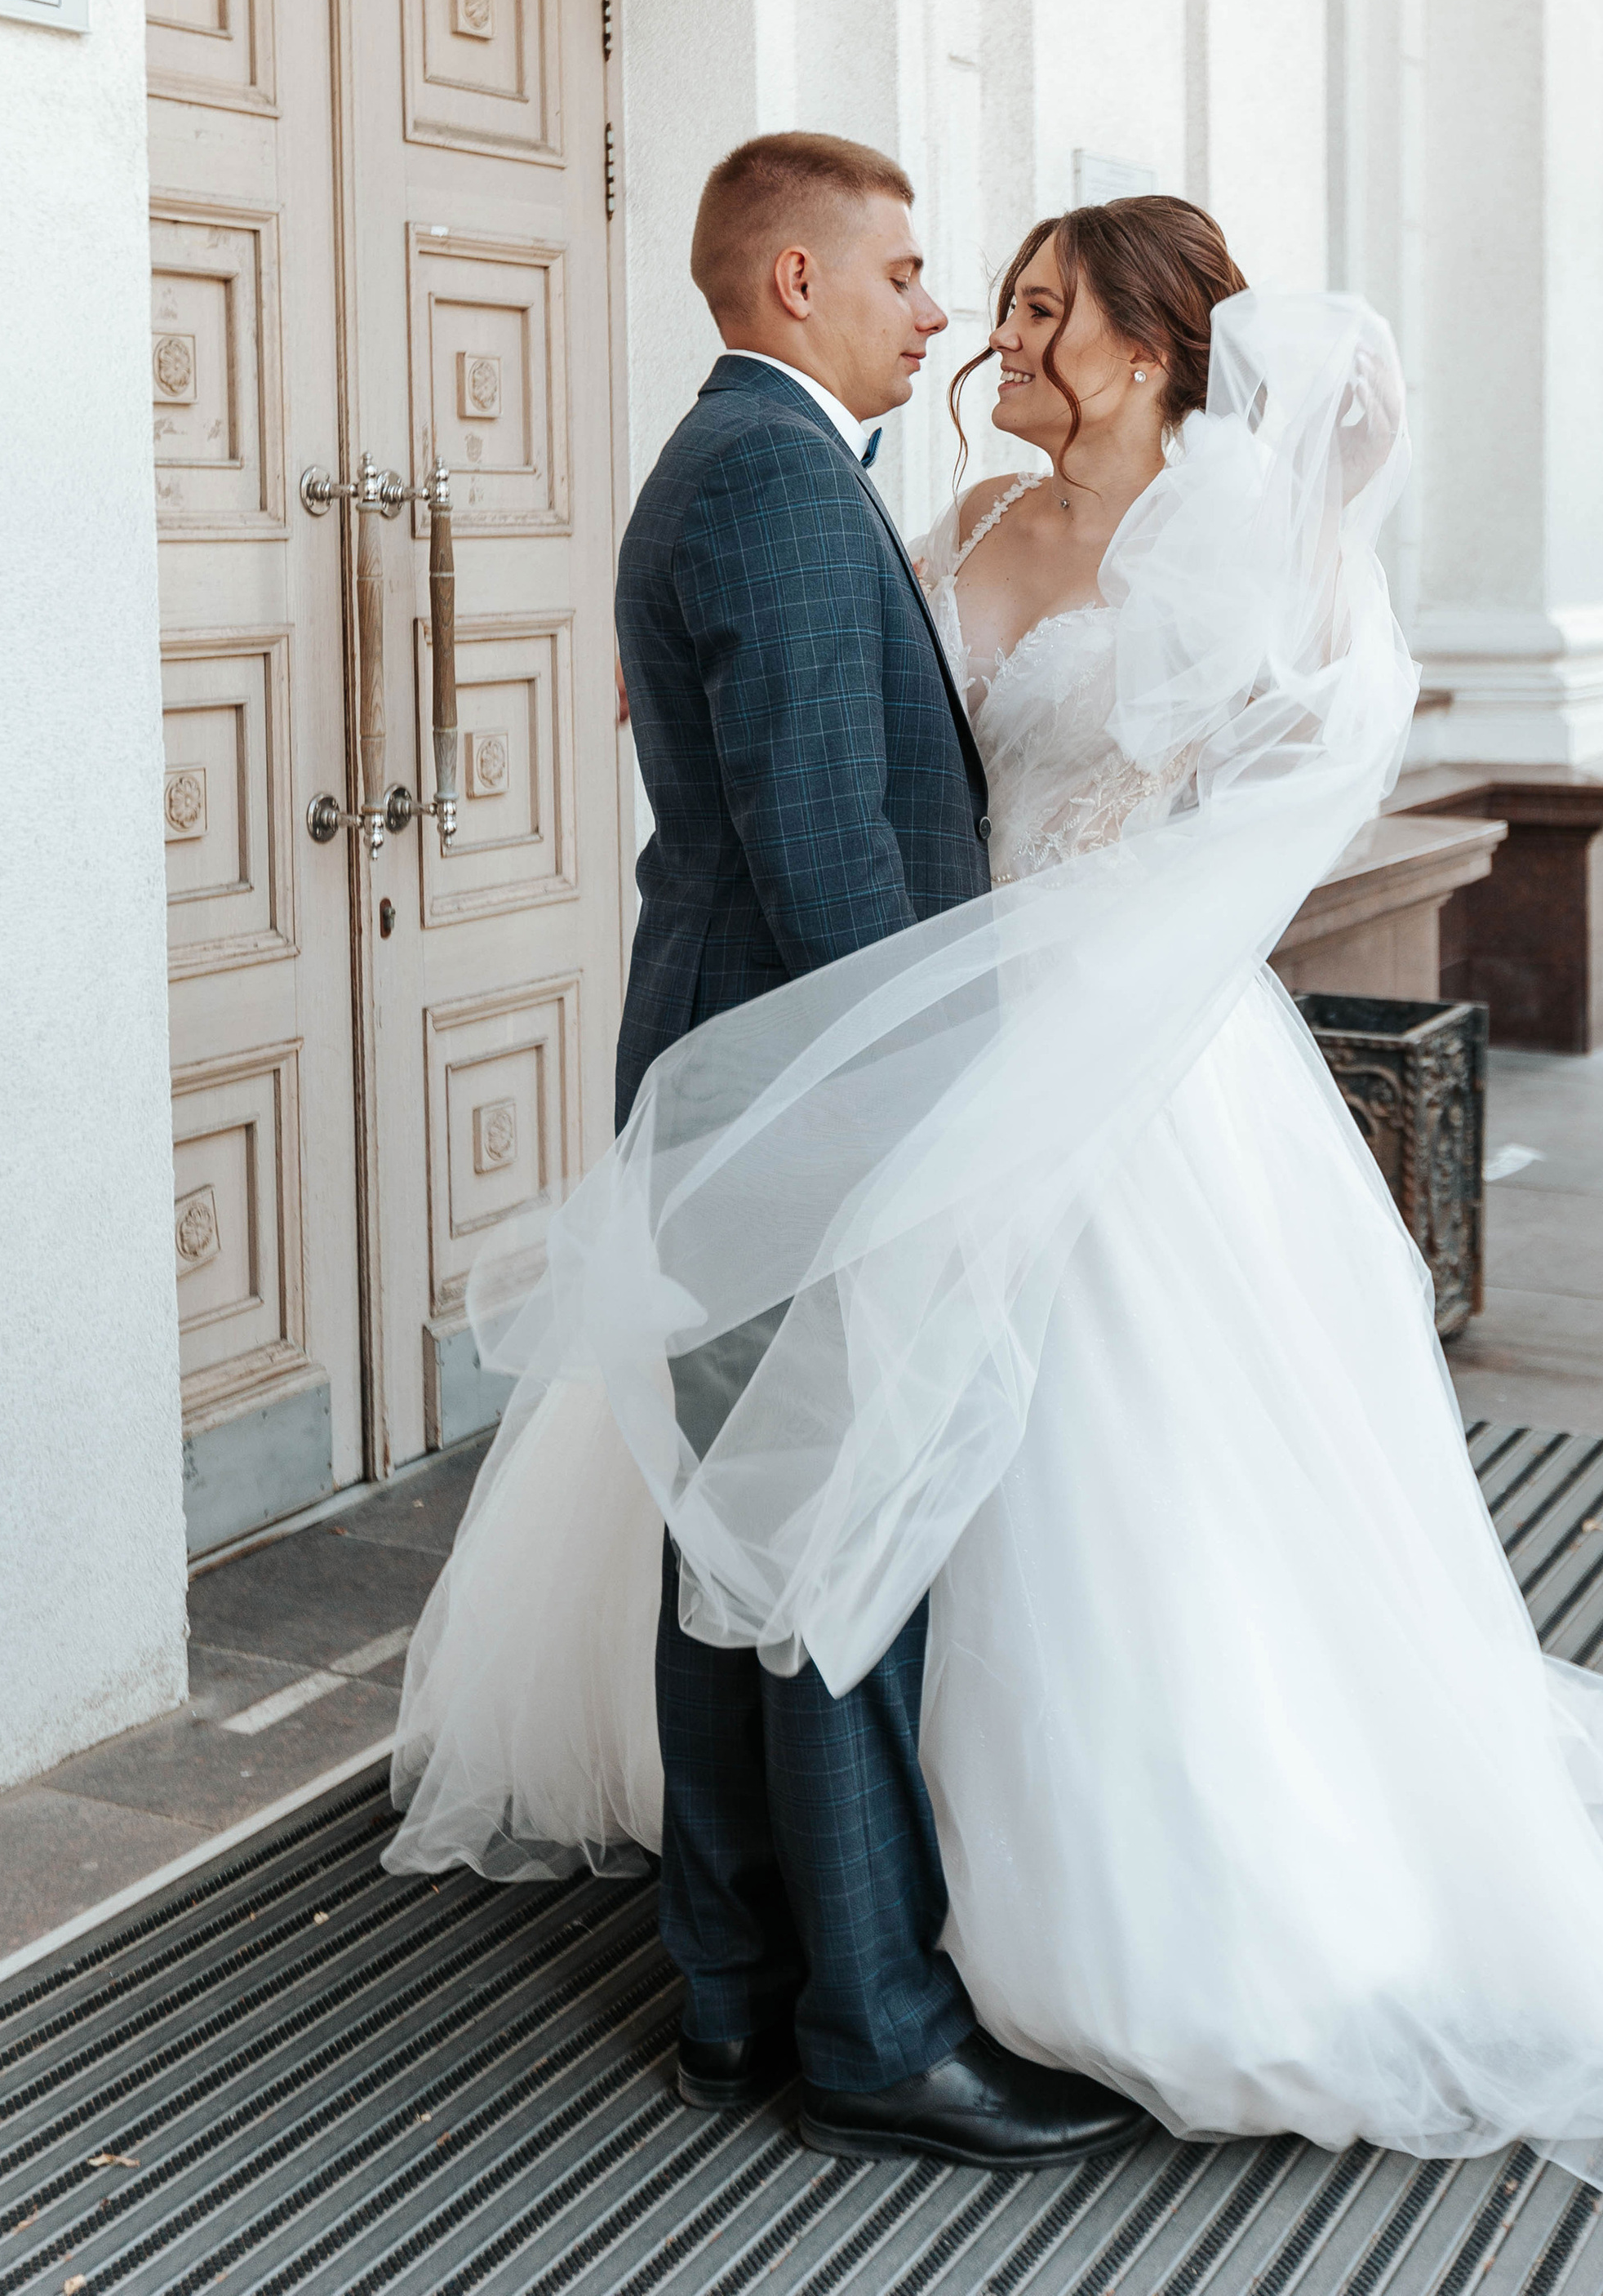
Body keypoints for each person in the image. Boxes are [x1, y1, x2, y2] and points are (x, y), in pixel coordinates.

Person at [390, 179, 1603, 2213]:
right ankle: (852, 1963)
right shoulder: (939, 525)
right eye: (978, 298)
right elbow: (841, 727)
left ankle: (1027, 1933)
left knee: (1091, 1492)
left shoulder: (1236, 554)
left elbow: (1283, 766)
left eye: (1040, 315)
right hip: (922, 1043)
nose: (987, 339)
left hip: (1128, 1068)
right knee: (853, 1494)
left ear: (1144, 349)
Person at [389, 131, 1143, 2174]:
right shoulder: (783, 490)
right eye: (904, 272)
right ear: (792, 281)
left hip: (741, 1089)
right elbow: (830, 863)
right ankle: (873, 2031)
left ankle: (734, 2000)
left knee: (735, 1551)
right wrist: (937, 1109)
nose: (938, 310)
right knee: (828, 1560)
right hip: (807, 1100)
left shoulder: (756, 474)